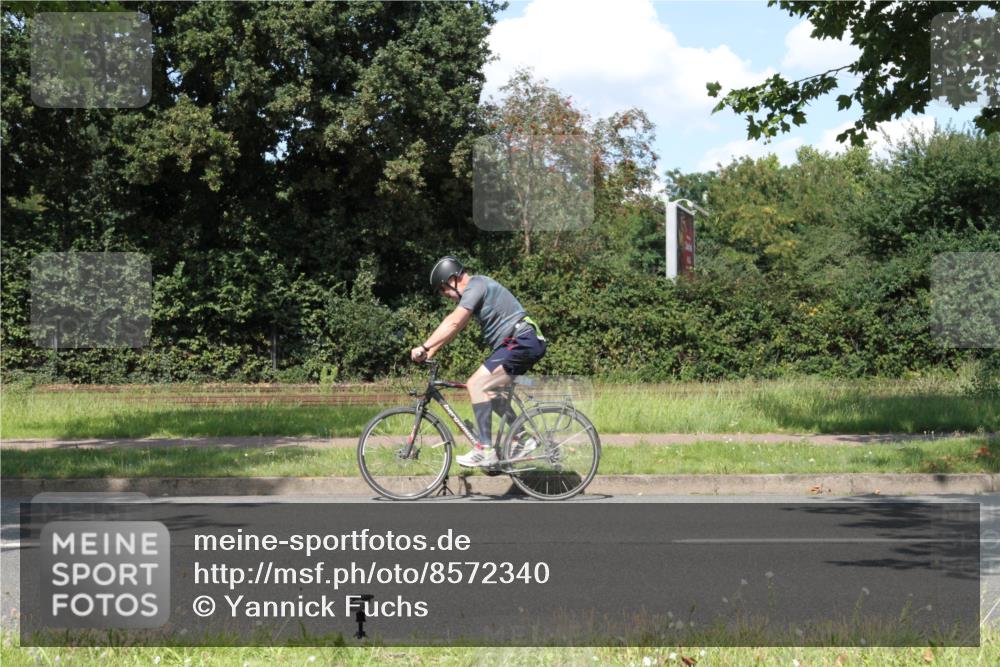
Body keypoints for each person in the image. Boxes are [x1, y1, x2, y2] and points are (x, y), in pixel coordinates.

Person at [411, 256, 546, 467]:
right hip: (520, 341)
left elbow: (453, 322)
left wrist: (425, 347)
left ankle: (485, 450)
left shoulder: (476, 285)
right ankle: (524, 440)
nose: (446, 296)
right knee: (491, 392)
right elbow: (456, 327)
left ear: (453, 279)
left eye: (443, 289)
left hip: (520, 339)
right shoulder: (477, 289)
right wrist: (430, 352)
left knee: (476, 383)